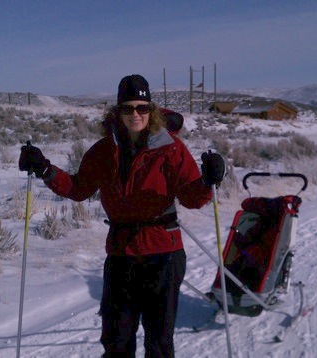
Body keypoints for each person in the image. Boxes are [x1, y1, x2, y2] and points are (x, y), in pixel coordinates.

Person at [18, 74, 226, 357]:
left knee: (159, 343)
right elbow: (79, 188)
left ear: (151, 111)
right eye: (128, 108)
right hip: (121, 253)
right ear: (118, 111)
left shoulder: (171, 149)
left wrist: (208, 180)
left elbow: (192, 197)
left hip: (163, 254)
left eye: (142, 107)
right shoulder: (104, 151)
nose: (135, 114)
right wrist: (45, 169)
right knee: (116, 341)